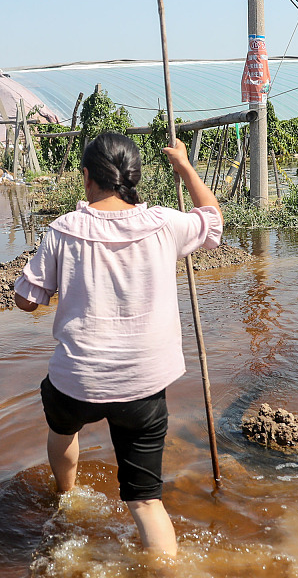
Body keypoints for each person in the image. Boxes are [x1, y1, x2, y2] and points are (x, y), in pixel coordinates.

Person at [13, 132, 222, 555]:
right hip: (143, 385)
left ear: (87, 177)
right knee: (146, 502)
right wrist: (184, 166)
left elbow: (25, 300)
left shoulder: (63, 230)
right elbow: (212, 219)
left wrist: (46, 280)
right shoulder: (166, 224)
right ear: (133, 176)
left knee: (61, 426)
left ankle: (65, 495)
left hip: (78, 382)